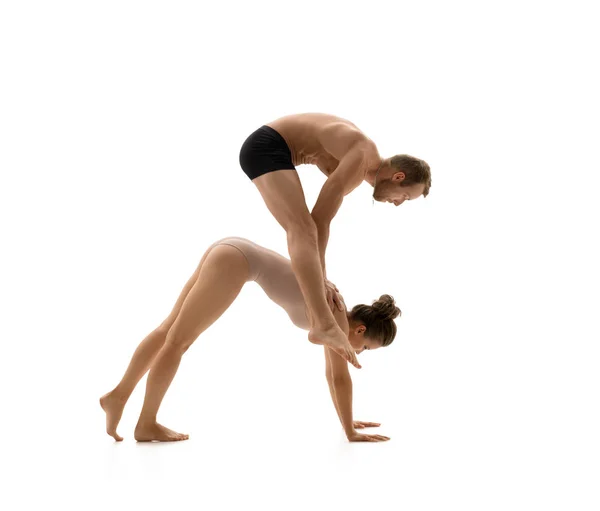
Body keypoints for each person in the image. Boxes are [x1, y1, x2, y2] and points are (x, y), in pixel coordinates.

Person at [100, 236, 400, 442]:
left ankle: (118, 396)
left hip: (231, 248)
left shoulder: (332, 311)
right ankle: (146, 423)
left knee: (169, 330)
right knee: (178, 341)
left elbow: (332, 375)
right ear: (359, 330)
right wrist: (350, 431)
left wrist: (346, 420)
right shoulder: (334, 317)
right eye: (365, 348)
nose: (358, 351)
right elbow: (339, 378)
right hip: (237, 260)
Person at [239, 112, 430, 370]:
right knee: (303, 228)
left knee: (304, 228)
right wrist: (321, 280)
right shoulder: (362, 157)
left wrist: (322, 277)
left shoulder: (361, 158)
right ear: (398, 177)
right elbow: (320, 220)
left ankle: (322, 321)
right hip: (269, 145)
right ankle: (323, 324)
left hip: (270, 147)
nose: (397, 203)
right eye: (404, 197)